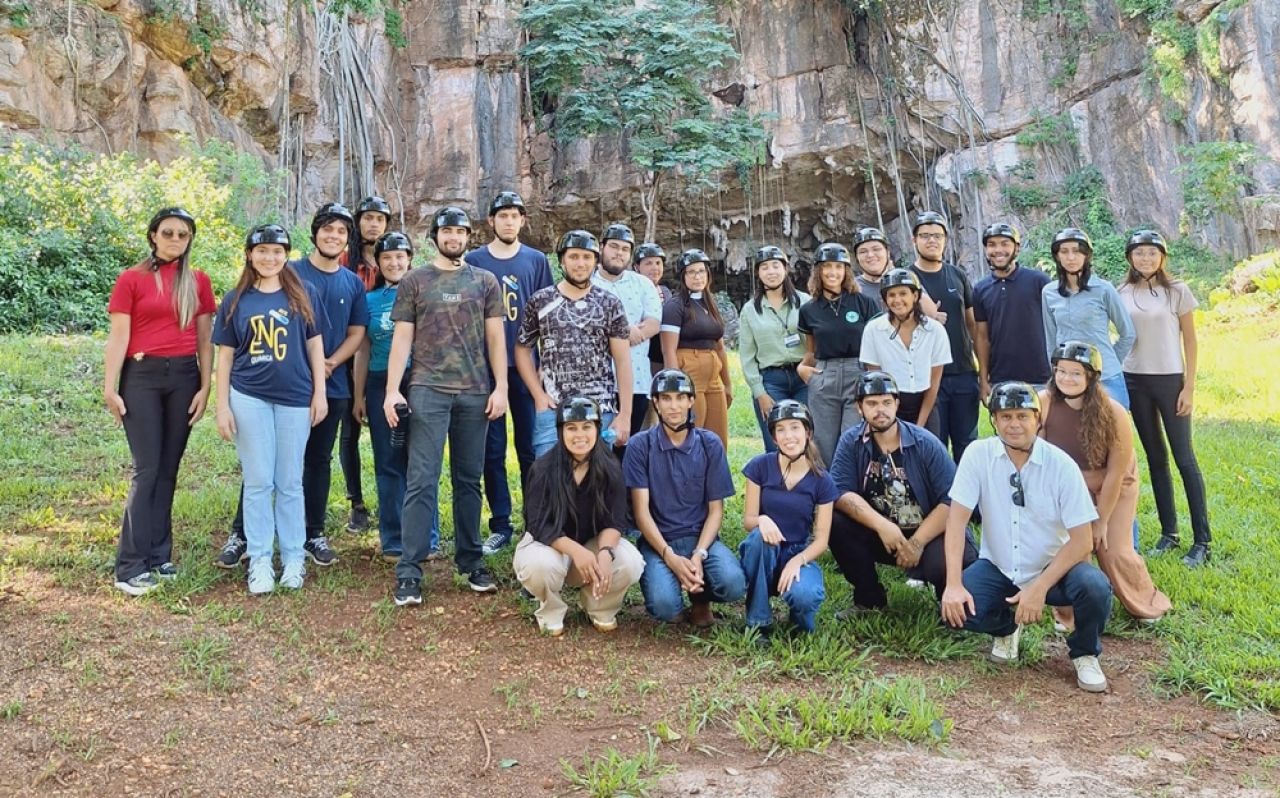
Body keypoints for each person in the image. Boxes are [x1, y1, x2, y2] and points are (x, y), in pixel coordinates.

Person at [940, 382, 1113, 693]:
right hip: (1000, 566)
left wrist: (1039, 587)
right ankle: (1007, 628)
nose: (1014, 424)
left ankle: (1085, 652)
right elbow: (956, 522)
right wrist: (953, 584)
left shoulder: (1061, 465)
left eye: (1022, 415)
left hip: (1055, 570)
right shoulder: (978, 455)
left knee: (1095, 587)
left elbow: (1083, 540)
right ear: (993, 419)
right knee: (958, 609)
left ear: (1037, 418)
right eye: (1005, 416)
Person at [383, 207, 508, 606]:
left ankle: (471, 561)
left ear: (469, 237)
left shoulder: (485, 281)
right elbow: (401, 339)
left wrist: (501, 387)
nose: (453, 237)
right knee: (422, 478)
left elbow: (495, 339)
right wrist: (391, 391)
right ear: (434, 235)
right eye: (447, 231)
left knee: (469, 479)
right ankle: (410, 569)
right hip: (426, 389)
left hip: (474, 392)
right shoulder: (415, 281)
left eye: (460, 231)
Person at [104, 207, 216, 596]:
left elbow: (205, 339)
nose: (175, 240)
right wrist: (110, 386)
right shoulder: (131, 280)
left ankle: (158, 555)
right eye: (167, 233)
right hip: (142, 378)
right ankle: (129, 565)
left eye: (183, 235)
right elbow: (119, 336)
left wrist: (206, 386)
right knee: (146, 469)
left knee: (169, 468)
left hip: (184, 378)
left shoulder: (198, 281)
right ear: (153, 235)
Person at [213, 225, 328, 594]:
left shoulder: (303, 293)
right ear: (250, 254)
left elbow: (315, 348)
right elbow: (225, 358)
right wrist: (221, 407)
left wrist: (320, 394)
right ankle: (261, 558)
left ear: (286, 254)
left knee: (290, 481)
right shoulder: (235, 300)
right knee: (259, 480)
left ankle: (293, 556)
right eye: (262, 250)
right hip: (249, 396)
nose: (269, 257)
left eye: (277, 251)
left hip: (295, 397)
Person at [1039, 342, 1171, 623]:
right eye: (1061, 371)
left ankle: (1145, 603)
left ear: (1091, 377)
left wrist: (1101, 521)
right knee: (1075, 546)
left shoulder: (1114, 413)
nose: (1067, 378)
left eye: (1076, 373)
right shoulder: (1044, 403)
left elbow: (1115, 474)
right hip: (1069, 486)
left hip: (1114, 484)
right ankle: (1069, 613)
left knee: (1112, 548)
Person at [826, 371, 976, 613]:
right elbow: (841, 492)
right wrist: (882, 526)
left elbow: (952, 500)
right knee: (835, 522)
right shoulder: (851, 442)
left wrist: (917, 542)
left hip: (928, 533)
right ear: (859, 407)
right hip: (883, 535)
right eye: (872, 403)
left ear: (897, 404)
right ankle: (869, 599)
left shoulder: (924, 442)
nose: (880, 410)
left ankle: (948, 600)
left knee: (947, 561)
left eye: (886, 402)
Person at [466, 191, 554, 555]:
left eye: (514, 215)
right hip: (487, 369)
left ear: (522, 221)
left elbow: (548, 312)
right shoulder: (474, 260)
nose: (508, 221)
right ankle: (500, 524)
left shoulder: (536, 260)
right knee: (492, 449)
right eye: (501, 215)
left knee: (532, 448)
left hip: (527, 368)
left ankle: (535, 522)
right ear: (491, 221)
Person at [512, 396, 645, 636]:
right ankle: (550, 610)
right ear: (560, 431)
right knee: (540, 565)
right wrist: (577, 551)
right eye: (571, 428)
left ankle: (600, 606)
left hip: (591, 547)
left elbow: (615, 520)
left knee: (629, 561)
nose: (579, 435)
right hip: (551, 547)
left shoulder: (610, 467)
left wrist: (604, 553)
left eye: (587, 427)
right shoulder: (543, 468)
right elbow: (539, 524)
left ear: (597, 429)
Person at [623, 369, 746, 626]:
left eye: (681, 397)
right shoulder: (639, 445)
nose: (674, 406)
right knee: (665, 607)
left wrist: (699, 554)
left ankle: (701, 600)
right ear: (655, 402)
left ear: (691, 401)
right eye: (666, 398)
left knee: (733, 584)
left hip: (701, 541)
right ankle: (675, 592)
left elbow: (716, 511)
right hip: (659, 542)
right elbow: (641, 513)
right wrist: (669, 556)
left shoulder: (709, 444)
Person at [1119, 230, 1211, 566]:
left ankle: (1203, 541)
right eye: (1139, 253)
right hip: (1134, 381)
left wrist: (1189, 387)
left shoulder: (1177, 292)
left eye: (1152, 253)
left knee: (1184, 459)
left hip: (1170, 381)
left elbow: (1191, 341)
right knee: (1155, 459)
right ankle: (1169, 533)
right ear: (1130, 257)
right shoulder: (1121, 292)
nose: (1145, 259)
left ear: (1162, 257)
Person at [353, 232, 438, 562]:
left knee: (422, 460)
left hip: (422, 381)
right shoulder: (370, 301)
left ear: (410, 259)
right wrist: (359, 395)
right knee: (388, 461)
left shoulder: (426, 293)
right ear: (378, 261)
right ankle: (393, 539)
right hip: (379, 382)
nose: (394, 262)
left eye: (400, 256)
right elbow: (363, 348)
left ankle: (427, 539)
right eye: (387, 257)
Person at [292, 202, 369, 566]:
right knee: (275, 460)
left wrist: (332, 362)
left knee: (318, 460)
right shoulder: (290, 273)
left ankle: (313, 533)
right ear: (315, 232)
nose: (333, 236)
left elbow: (357, 333)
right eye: (328, 228)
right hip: (290, 385)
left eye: (341, 231)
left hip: (334, 384)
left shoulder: (352, 282)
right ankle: (244, 534)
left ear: (347, 240)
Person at [516, 229, 633, 457]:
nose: (580, 263)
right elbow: (522, 349)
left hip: (600, 410)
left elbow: (622, 360)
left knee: (596, 485)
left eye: (587, 257)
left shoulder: (609, 303)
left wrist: (625, 414)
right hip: (553, 410)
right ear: (561, 260)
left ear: (596, 261)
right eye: (573, 256)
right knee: (549, 481)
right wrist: (538, 396)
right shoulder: (540, 301)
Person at [739, 401, 834, 639]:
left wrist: (798, 561)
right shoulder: (759, 466)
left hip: (798, 550)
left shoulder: (822, 480)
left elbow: (822, 541)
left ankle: (799, 618)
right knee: (760, 539)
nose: (788, 436)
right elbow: (748, 520)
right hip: (764, 551)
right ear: (773, 437)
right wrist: (762, 519)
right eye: (781, 429)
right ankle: (757, 621)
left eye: (795, 427)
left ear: (808, 432)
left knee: (806, 596)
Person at [798, 242, 880, 467]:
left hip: (858, 372)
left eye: (838, 267)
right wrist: (802, 369)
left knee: (853, 438)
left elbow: (876, 344)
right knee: (823, 442)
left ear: (846, 271)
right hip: (825, 375)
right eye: (827, 267)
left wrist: (872, 379)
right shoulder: (809, 310)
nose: (833, 272)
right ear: (818, 271)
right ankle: (825, 498)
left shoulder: (864, 303)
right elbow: (811, 350)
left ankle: (850, 495)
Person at [339, 195, 393, 533]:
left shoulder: (394, 259)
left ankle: (391, 497)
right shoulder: (345, 260)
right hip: (346, 353)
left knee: (388, 434)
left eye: (380, 218)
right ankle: (356, 502)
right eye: (368, 217)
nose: (373, 224)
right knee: (350, 427)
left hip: (384, 358)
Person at [909, 211, 980, 463]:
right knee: (933, 444)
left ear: (945, 240)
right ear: (914, 240)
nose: (932, 241)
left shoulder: (957, 275)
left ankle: (971, 502)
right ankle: (941, 500)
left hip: (963, 372)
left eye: (937, 236)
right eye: (925, 235)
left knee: (967, 444)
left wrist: (982, 373)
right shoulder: (906, 278)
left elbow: (972, 325)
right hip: (926, 376)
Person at [1041, 227, 1135, 408]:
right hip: (1067, 380)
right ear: (1057, 256)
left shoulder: (1104, 289)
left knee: (1112, 433)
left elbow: (1128, 333)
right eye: (1064, 251)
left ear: (1086, 255)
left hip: (1105, 378)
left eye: (1077, 251)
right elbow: (1051, 340)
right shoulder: (1049, 292)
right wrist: (1058, 373)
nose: (1070, 257)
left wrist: (1105, 361)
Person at [591, 222, 662, 440]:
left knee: (628, 445)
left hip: (637, 380)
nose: (619, 253)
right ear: (602, 247)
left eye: (625, 249)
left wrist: (616, 335)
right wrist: (623, 331)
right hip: (595, 381)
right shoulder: (588, 282)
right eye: (614, 246)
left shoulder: (643, 284)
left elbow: (653, 324)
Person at [859, 268, 950, 434]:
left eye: (903, 294)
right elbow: (876, 382)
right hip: (888, 405)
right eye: (891, 295)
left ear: (915, 296)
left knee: (928, 453)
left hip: (925, 404)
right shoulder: (873, 330)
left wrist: (919, 427)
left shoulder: (935, 330)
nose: (897, 300)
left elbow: (934, 384)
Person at [738, 245, 810, 451]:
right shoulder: (750, 310)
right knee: (776, 442)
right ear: (758, 274)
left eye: (775, 266)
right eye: (764, 267)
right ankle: (776, 484)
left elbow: (816, 343)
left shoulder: (805, 302)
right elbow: (747, 356)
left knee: (805, 439)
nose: (771, 272)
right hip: (771, 380)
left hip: (803, 377)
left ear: (785, 269)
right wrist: (759, 392)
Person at [660, 249, 733, 447]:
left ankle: (715, 476)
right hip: (689, 371)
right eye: (691, 272)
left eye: (701, 271)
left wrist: (727, 383)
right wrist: (675, 387)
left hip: (713, 374)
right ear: (683, 276)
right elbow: (668, 350)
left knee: (718, 437)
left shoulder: (710, 303)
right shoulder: (675, 306)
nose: (697, 276)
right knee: (693, 431)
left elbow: (719, 346)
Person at [972, 222, 1052, 400]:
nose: (998, 250)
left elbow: (1057, 326)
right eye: (992, 245)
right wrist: (984, 379)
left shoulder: (1039, 281)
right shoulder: (980, 289)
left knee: (1045, 428)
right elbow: (982, 338)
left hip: (1042, 379)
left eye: (1004, 243)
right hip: (1001, 380)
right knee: (1008, 428)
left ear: (1017, 248)